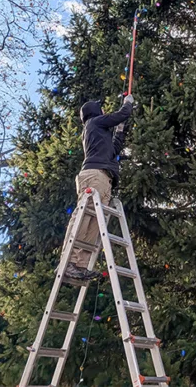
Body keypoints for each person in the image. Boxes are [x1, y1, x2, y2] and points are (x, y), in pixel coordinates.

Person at [62, 94, 134, 281]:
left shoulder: (99, 133)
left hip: (104, 178)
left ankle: (80, 265)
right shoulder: (93, 123)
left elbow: (114, 150)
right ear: (94, 112)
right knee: (84, 218)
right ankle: (68, 262)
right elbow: (119, 115)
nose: (103, 111)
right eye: (100, 108)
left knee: (95, 223)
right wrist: (127, 105)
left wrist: (120, 131)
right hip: (94, 176)